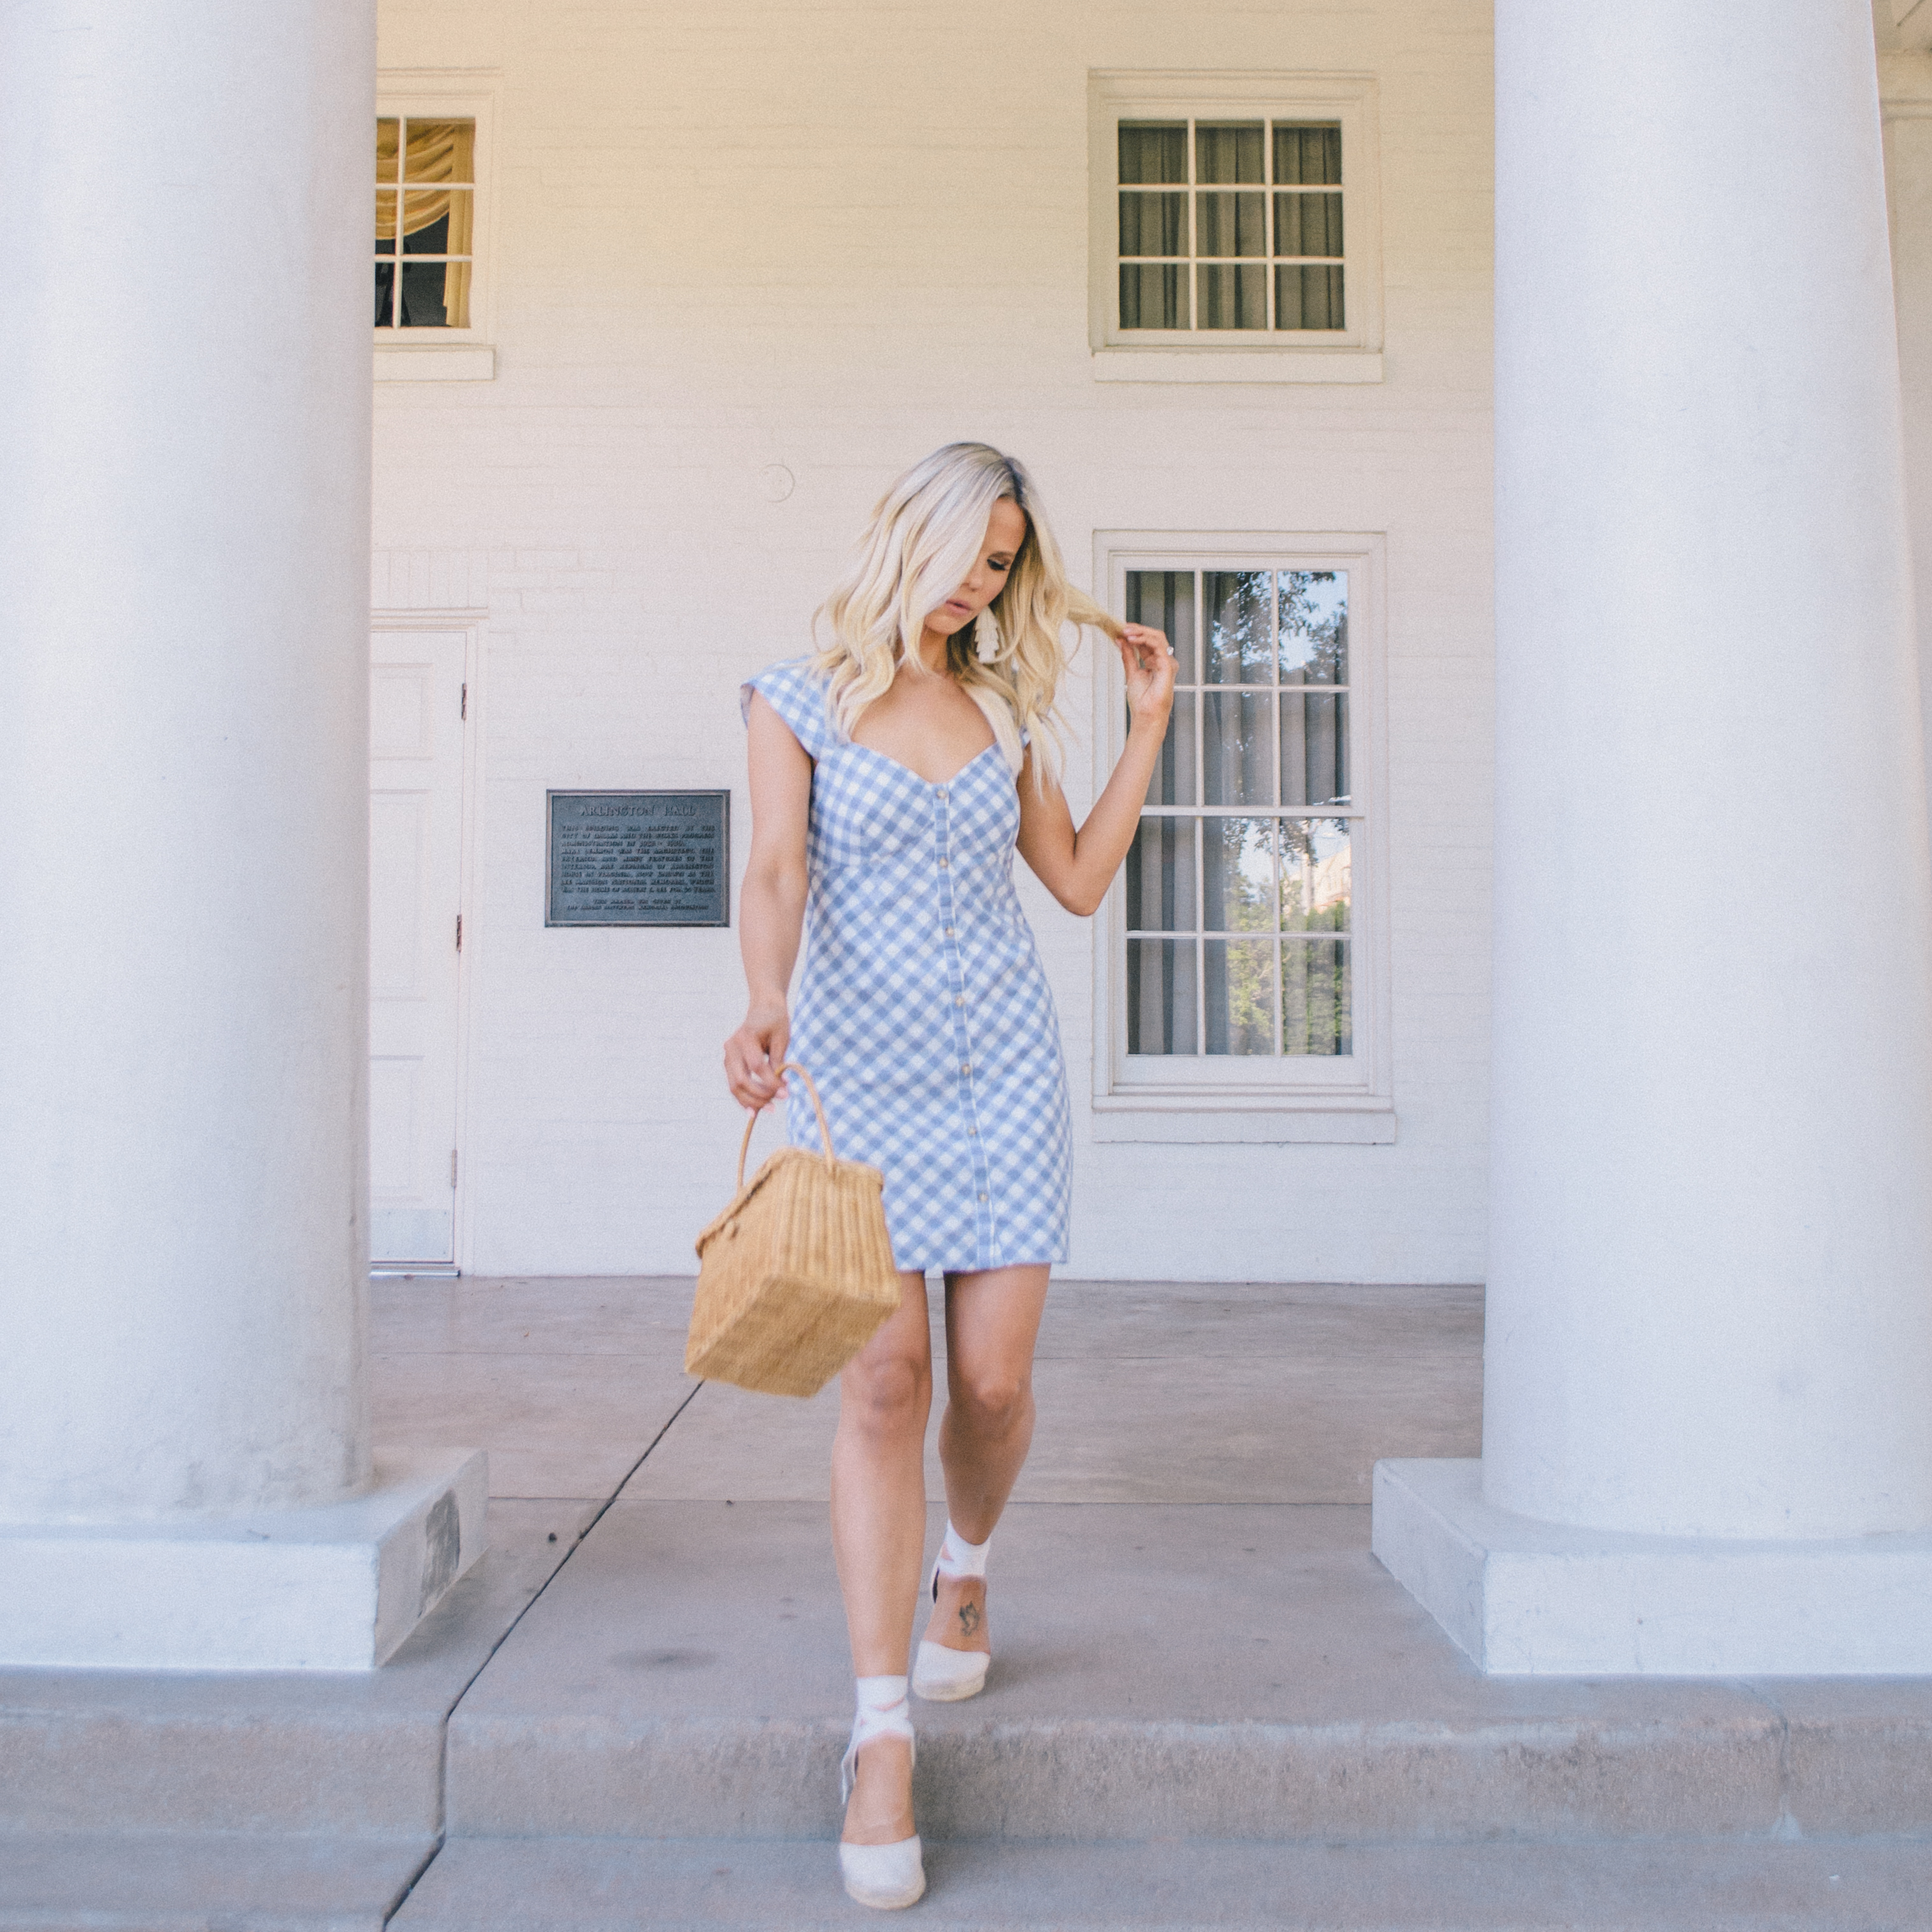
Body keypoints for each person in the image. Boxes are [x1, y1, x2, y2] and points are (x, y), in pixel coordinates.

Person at [724, 442, 1175, 1909]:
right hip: (859, 1083)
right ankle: (878, 1739)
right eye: (969, 550)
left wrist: (1148, 728)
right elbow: (778, 868)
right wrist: (762, 997)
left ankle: (965, 1560)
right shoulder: (794, 695)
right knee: (882, 1385)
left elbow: (1078, 880)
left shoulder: (999, 703)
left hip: (1006, 1088)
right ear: (907, 534)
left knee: (987, 1385)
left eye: (1003, 561)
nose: (984, 579)